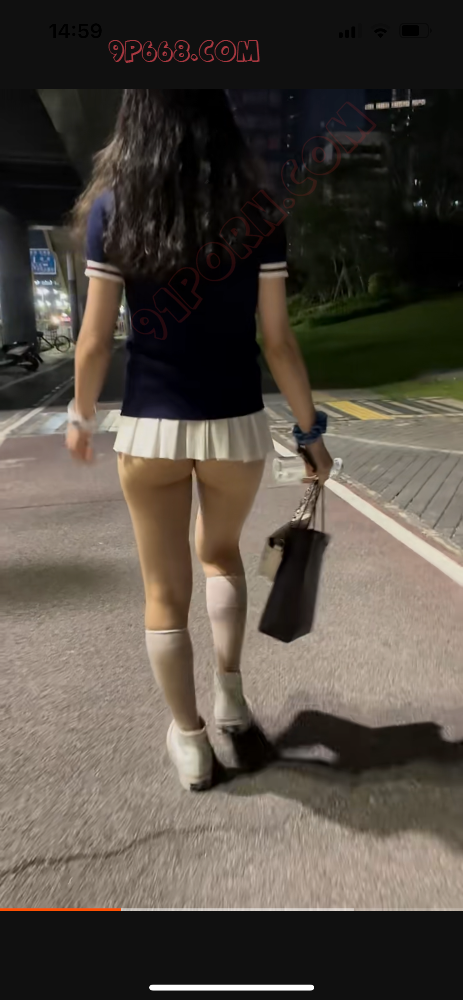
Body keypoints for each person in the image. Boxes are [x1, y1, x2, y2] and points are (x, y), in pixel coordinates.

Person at [66, 89, 333, 792]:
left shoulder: (113, 210)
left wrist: (80, 416)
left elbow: (94, 342)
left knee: (163, 590)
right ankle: (231, 698)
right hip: (235, 426)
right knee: (220, 556)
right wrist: (309, 433)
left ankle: (189, 741)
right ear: (220, 120)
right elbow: (278, 341)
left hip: (149, 428)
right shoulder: (258, 212)